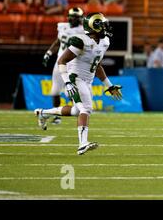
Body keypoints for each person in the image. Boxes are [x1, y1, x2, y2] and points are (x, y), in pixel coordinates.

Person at [34, 13, 122, 155]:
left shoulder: (105, 41)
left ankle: (43, 113)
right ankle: (82, 144)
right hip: (75, 79)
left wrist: (109, 86)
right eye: (102, 25)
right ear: (94, 27)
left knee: (76, 111)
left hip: (87, 81)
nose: (105, 27)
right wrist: (67, 82)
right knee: (85, 109)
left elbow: (98, 66)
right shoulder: (81, 41)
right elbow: (61, 60)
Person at [42, 7, 84, 125]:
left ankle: (80, 112)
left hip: (73, 64)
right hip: (59, 62)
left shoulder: (83, 31)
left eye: (76, 17)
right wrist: (48, 53)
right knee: (55, 90)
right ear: (68, 17)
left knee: (69, 91)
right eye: (72, 16)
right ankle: (57, 116)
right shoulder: (62, 26)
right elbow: (58, 41)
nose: (74, 19)